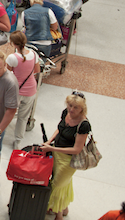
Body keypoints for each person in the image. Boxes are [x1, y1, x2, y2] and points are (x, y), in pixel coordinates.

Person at [40, 92, 91, 220]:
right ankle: (64, 208)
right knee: (63, 183)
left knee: (56, 184)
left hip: (68, 160)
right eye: (70, 105)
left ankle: (59, 215)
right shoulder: (66, 113)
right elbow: (60, 129)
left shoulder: (84, 125)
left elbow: (77, 149)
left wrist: (51, 148)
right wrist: (50, 140)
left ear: (82, 109)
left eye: (75, 108)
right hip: (56, 153)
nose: (71, 109)